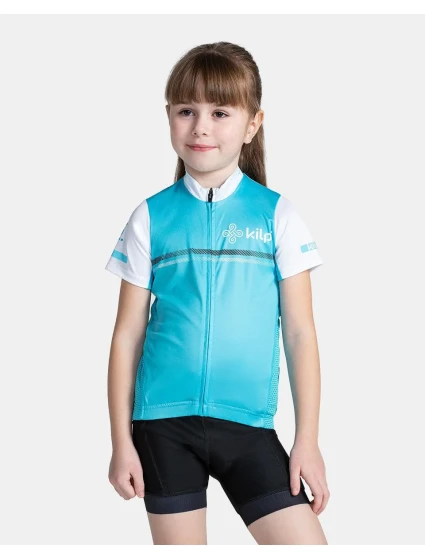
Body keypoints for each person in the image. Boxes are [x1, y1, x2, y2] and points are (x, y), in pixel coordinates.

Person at [105, 41, 329, 545]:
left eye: (220, 112)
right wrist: (121, 441)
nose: (200, 127)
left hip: (247, 426)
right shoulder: (150, 217)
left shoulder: (278, 216)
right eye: (186, 111)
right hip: (162, 427)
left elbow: (299, 333)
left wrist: (307, 441)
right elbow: (126, 337)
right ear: (168, 117)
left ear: (253, 124)